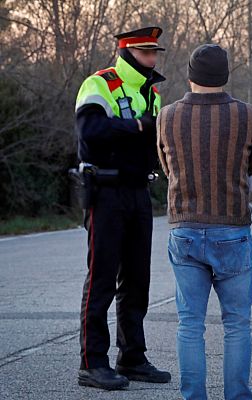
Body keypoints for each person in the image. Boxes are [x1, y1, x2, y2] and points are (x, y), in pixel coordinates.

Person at [157, 44, 252, 400]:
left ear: (190, 76)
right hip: (231, 228)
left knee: (190, 325)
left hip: (184, 228)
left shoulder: (167, 115)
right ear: (225, 76)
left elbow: (166, 167)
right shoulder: (246, 114)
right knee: (236, 325)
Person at [74, 26, 170, 390]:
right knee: (101, 279)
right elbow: (90, 131)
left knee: (137, 280)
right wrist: (138, 126)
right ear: (129, 53)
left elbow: (157, 142)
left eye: (155, 53)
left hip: (138, 192)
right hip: (106, 191)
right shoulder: (99, 84)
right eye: (146, 53)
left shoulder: (153, 93)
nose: (153, 58)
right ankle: (91, 363)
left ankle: (132, 357)